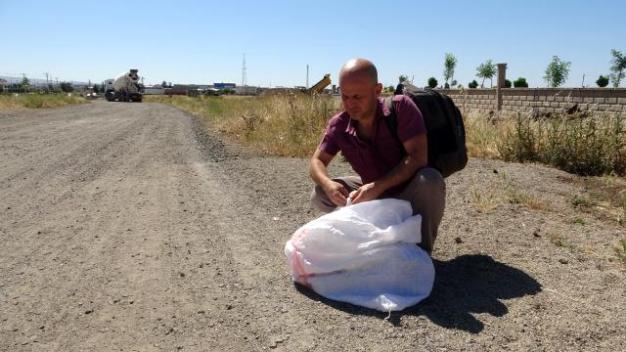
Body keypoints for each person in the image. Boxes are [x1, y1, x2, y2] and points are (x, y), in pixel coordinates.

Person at [309, 58, 446, 253]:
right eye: (345, 96)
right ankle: (370, 240)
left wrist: (377, 186)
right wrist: (328, 184)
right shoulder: (339, 124)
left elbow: (418, 157)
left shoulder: (401, 108)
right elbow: (316, 161)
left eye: (358, 97)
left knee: (430, 180)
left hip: (407, 192)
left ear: (377, 90)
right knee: (320, 194)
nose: (350, 104)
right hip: (372, 194)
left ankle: (419, 254)